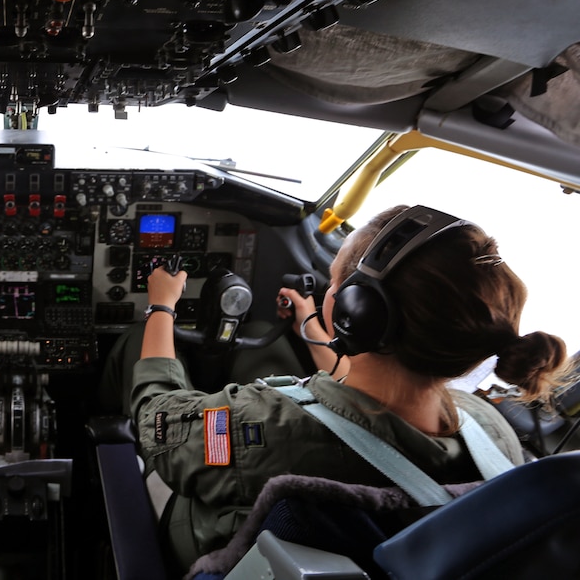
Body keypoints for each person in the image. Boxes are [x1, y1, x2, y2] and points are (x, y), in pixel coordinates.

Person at [100, 204, 571, 575]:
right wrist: (309, 321)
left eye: (336, 282)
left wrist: (160, 307)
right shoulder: (492, 432)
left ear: (355, 311)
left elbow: (157, 415)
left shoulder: (264, 428)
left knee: (132, 369)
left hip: (219, 550)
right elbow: (357, 397)